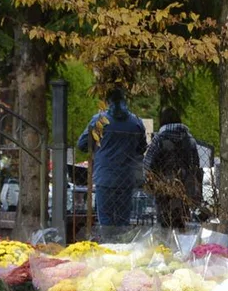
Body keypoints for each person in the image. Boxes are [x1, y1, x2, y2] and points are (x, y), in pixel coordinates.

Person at [77, 88, 147, 228]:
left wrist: (98, 145)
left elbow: (82, 144)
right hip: (126, 177)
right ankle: (122, 246)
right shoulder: (135, 123)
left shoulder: (101, 122)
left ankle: (108, 245)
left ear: (108, 102)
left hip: (105, 176)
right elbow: (141, 148)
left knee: (105, 220)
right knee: (123, 221)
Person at [143, 107, 201, 229]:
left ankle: (165, 243)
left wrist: (149, 179)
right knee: (182, 216)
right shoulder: (189, 139)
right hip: (184, 185)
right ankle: (181, 241)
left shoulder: (159, 139)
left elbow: (147, 162)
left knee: (164, 217)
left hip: (163, 184)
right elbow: (195, 163)